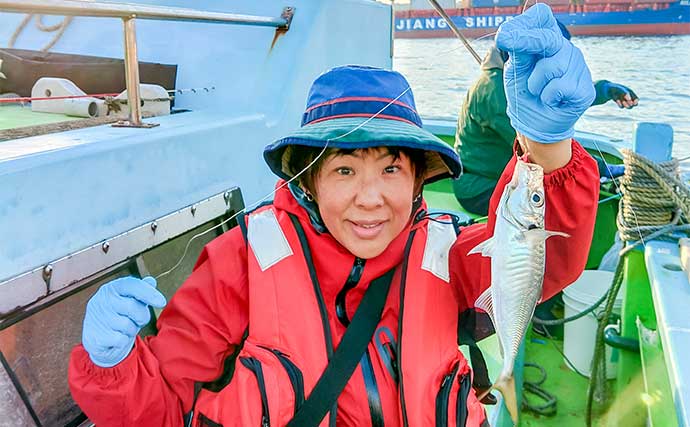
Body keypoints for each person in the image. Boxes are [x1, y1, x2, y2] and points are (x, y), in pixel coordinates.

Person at [68, 5, 600, 426]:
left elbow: (545, 260)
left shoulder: (446, 258)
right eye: (344, 171)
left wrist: (547, 147)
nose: (371, 198)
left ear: (418, 182)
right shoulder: (239, 265)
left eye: (391, 170)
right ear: (308, 179)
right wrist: (112, 364)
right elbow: (158, 411)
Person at [453, 20, 638, 216]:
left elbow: (560, 94)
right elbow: (539, 148)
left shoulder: (518, 75)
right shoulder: (495, 90)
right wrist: (601, 168)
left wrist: (605, 89)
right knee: (557, 206)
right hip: (479, 189)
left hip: (504, 179)